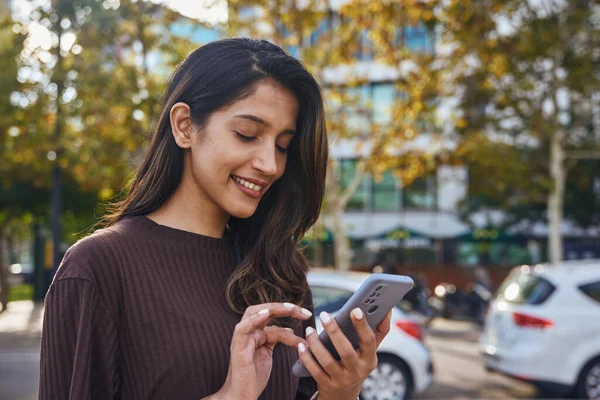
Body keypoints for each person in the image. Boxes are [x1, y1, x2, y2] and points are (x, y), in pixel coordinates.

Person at [38, 38, 392, 400]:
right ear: (185, 126)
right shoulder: (97, 268)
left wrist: (342, 391)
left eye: (282, 145)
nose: (270, 165)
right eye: (247, 135)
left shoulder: (280, 271)